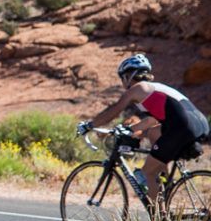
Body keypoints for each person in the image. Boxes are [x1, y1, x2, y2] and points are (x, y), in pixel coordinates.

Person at [78, 53, 210, 204]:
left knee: (148, 171)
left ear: (128, 76)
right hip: (200, 123)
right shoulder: (155, 89)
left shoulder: (138, 88)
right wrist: (131, 129)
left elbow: (114, 110)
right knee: (154, 133)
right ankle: (165, 178)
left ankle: (159, 217)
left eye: (122, 78)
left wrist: (90, 125)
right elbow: (152, 120)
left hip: (182, 127)